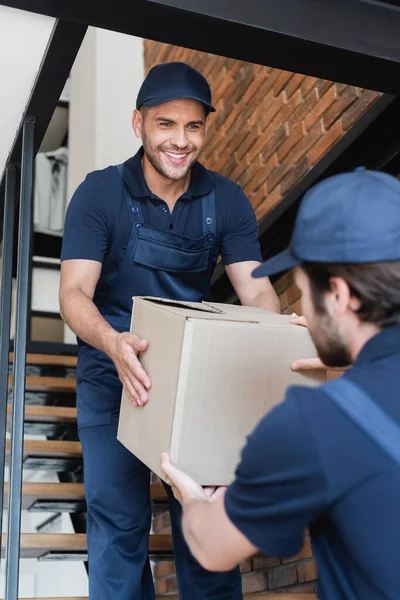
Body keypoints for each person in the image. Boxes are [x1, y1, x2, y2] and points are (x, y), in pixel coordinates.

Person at [59, 61, 281, 600]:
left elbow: (257, 292)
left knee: (201, 518)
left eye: (193, 127)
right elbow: (72, 295)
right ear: (139, 124)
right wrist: (113, 343)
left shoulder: (226, 201)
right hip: (112, 372)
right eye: (166, 125)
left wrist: (276, 337)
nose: (181, 141)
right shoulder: (98, 193)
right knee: (118, 524)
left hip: (192, 380)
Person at [161, 167, 400, 600]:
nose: (301, 306)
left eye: (303, 289)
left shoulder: (315, 422)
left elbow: (214, 548)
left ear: (340, 297)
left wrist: (193, 499)